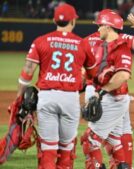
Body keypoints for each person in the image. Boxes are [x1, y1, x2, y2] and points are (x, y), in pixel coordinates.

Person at [9, 3, 97, 168]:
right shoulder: (82, 43)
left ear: (54, 20)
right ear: (73, 21)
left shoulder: (41, 41)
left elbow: (27, 71)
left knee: (47, 150)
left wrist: (19, 98)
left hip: (47, 97)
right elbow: (93, 73)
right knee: (66, 150)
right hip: (70, 99)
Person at [83, 9, 134, 169]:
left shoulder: (113, 44)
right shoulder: (116, 40)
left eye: (99, 25)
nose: (97, 28)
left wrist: (100, 92)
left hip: (108, 93)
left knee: (90, 140)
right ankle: (124, 166)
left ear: (107, 26)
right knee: (113, 137)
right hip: (106, 92)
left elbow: (123, 74)